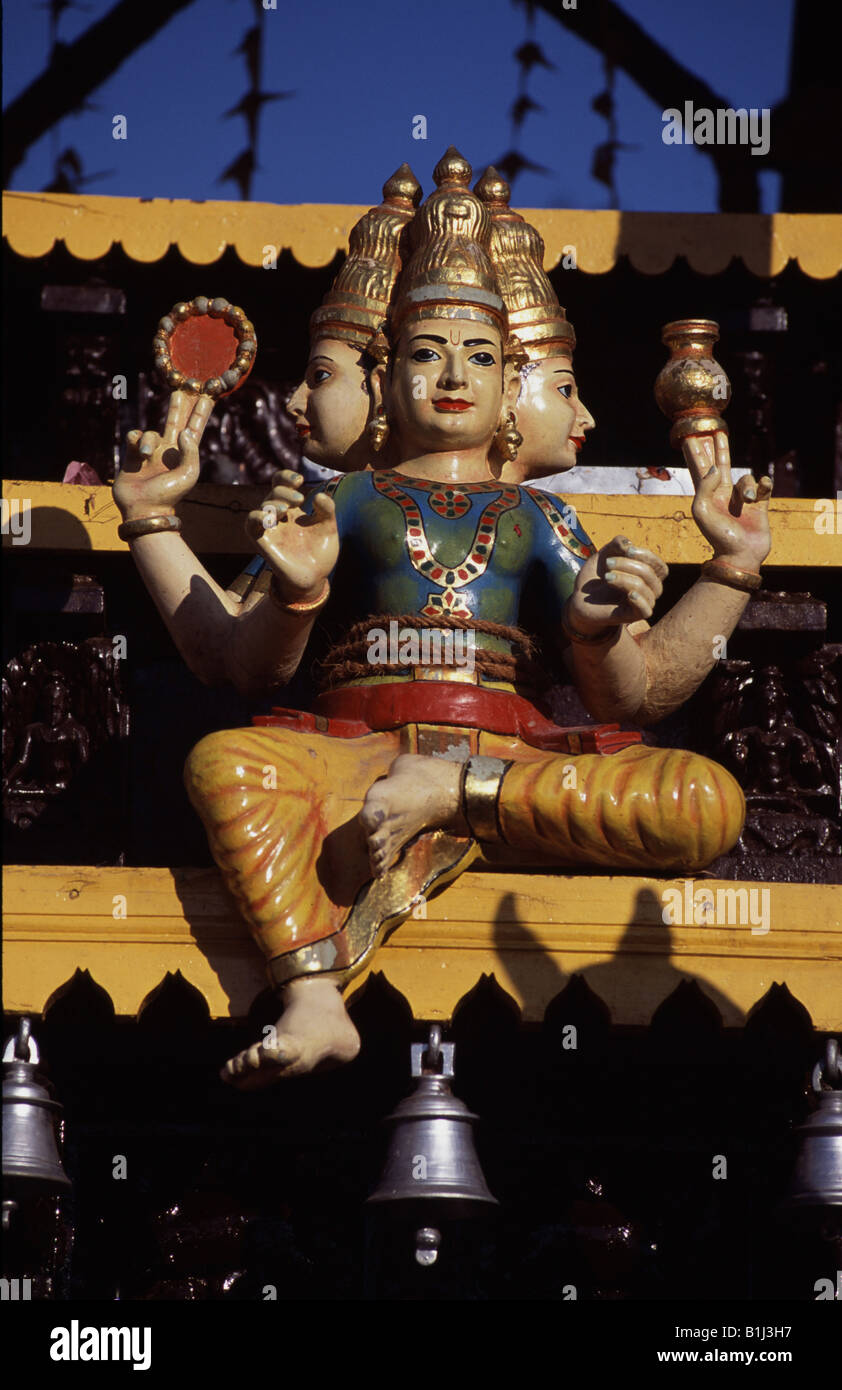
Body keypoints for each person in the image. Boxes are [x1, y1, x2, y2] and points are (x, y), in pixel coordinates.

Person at [175, 149, 771, 1088]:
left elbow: (640, 691)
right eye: (424, 352)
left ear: (509, 390)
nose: (452, 374)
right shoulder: (351, 501)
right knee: (225, 762)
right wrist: (276, 587)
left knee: (705, 802)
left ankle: (452, 794)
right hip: (358, 754)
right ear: (385, 378)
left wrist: (709, 578)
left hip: (509, 759)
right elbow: (237, 664)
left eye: (481, 357)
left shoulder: (539, 518)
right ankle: (314, 994)